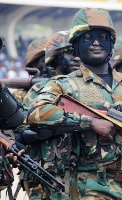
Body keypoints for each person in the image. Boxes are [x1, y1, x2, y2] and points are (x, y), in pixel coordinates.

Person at [27, 8, 122, 199]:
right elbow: (36, 113)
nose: (96, 42)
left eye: (103, 37)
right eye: (87, 38)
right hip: (88, 186)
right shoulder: (63, 85)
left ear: (111, 44)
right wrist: (89, 123)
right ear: (77, 47)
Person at [19, 30, 81, 200]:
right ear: (56, 57)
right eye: (69, 53)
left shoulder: (91, 90)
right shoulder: (39, 91)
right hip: (46, 175)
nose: (76, 58)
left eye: (77, 52)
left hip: (83, 176)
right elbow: (20, 132)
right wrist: (50, 129)